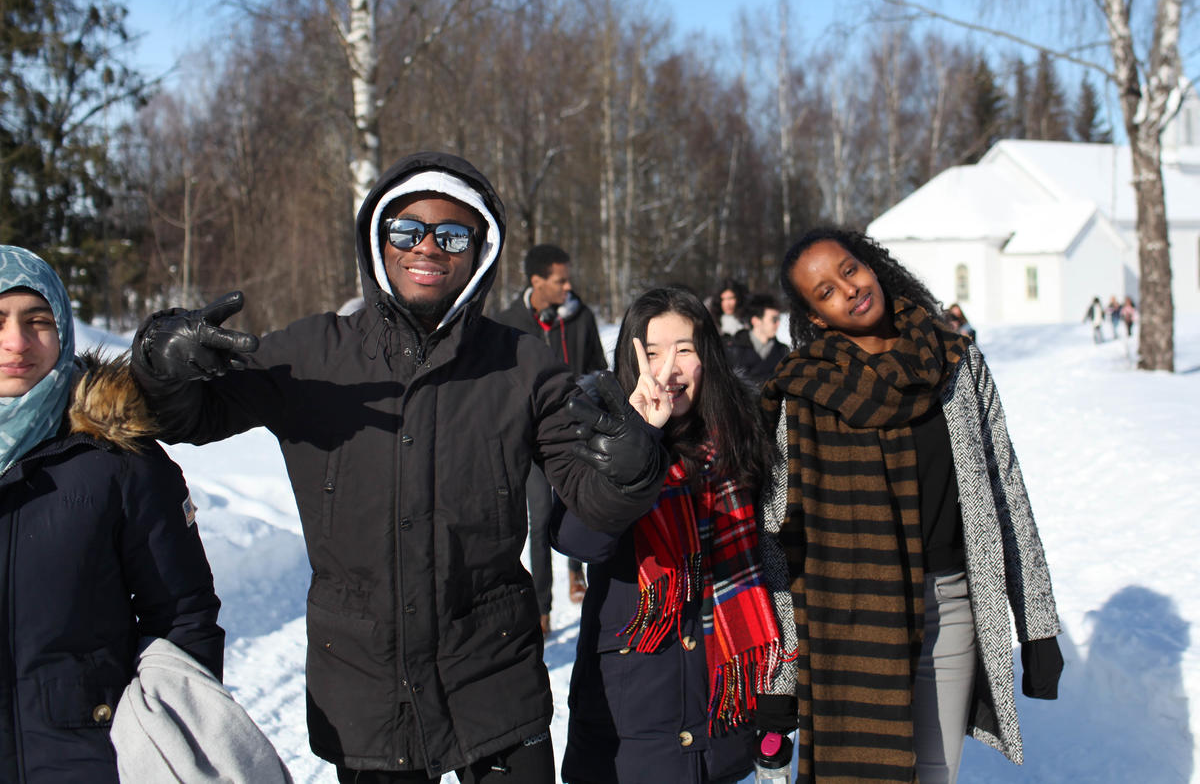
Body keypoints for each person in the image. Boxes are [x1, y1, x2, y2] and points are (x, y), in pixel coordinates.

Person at [128, 152, 668, 783]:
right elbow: (189, 418)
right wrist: (160, 366)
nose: (429, 247)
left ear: (480, 252)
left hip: (491, 675)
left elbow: (589, 501)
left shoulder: (524, 365)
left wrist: (629, 467)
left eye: (453, 233)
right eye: (407, 230)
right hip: (362, 682)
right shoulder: (311, 353)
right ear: (378, 242)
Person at [756, 228, 1063, 784]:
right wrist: (783, 676)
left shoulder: (957, 364)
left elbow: (1006, 493)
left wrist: (1037, 625)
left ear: (870, 265)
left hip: (950, 609)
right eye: (825, 291)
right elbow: (781, 538)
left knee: (933, 775)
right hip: (849, 624)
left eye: (849, 270)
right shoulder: (802, 393)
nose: (847, 290)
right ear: (816, 318)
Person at [0, 245, 224, 784]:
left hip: (91, 762)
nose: (17, 342)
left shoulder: (119, 462)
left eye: (38, 321)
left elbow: (182, 618)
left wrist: (169, 747)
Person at [552, 286, 786, 784]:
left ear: (709, 357)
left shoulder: (745, 434)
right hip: (633, 702)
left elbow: (774, 555)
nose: (668, 370)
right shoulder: (598, 432)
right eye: (651, 353)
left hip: (724, 699)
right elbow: (580, 540)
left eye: (684, 350)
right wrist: (637, 441)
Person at [493, 244, 608, 628]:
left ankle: (578, 572)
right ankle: (542, 608)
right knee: (540, 518)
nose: (568, 286)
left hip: (578, 431)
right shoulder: (508, 322)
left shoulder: (582, 316)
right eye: (560, 280)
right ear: (536, 281)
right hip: (531, 438)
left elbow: (599, 370)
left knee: (581, 506)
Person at [725, 292, 789, 387]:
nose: (778, 324)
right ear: (756, 321)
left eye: (778, 319)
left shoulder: (783, 351)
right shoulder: (733, 350)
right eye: (774, 319)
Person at [706, 278, 747, 343]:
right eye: (723, 299)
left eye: (731, 298)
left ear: (738, 299)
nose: (727, 304)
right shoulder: (711, 323)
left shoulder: (747, 322)